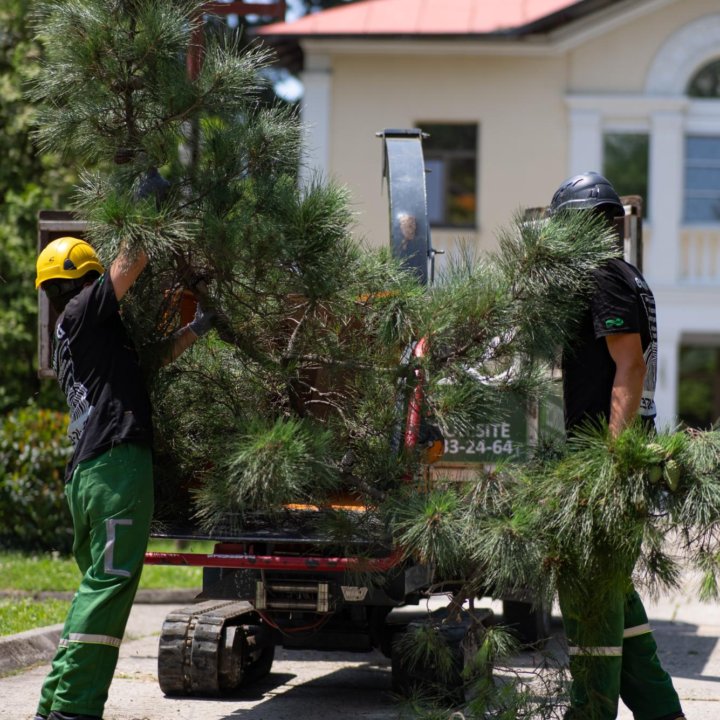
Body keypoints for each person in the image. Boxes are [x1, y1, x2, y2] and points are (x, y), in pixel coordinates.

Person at [33, 234, 213, 720]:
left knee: (95, 588)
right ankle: (74, 709)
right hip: (116, 471)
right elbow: (129, 264)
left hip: (90, 477)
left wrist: (196, 330)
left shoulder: (82, 341)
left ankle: (53, 705)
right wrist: (150, 208)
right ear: (84, 281)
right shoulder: (81, 313)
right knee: (109, 590)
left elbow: (148, 362)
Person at [551, 172, 685, 720]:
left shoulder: (604, 278)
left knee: (588, 598)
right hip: (617, 457)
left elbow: (628, 365)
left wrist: (608, 462)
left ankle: (591, 712)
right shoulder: (629, 276)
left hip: (605, 460)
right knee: (612, 593)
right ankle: (661, 711)